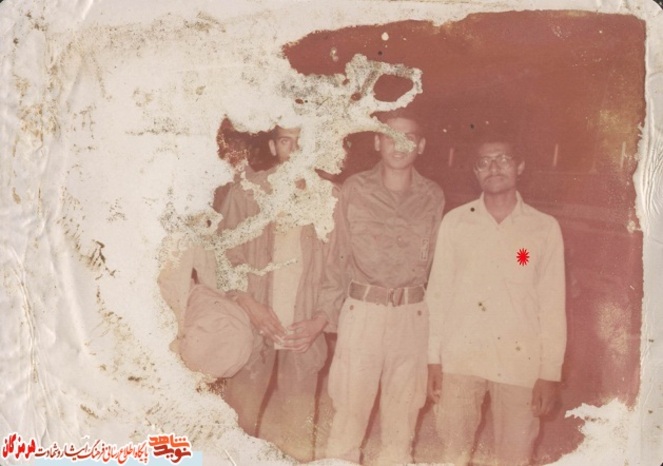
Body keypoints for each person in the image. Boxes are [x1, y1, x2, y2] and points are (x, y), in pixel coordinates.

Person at [426, 139, 567, 466]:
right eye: (484, 162)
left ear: (519, 166)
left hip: (519, 364)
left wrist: (550, 372)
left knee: (515, 456)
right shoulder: (456, 222)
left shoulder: (544, 228)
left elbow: (552, 304)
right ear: (475, 172)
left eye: (503, 159)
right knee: (452, 454)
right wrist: (433, 359)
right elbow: (438, 294)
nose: (493, 167)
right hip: (460, 360)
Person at [319, 112, 445, 464]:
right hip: (363, 313)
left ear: (421, 145)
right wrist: (327, 316)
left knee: (403, 420)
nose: (399, 144)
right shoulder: (354, 189)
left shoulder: (433, 195)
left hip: (411, 315)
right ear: (377, 142)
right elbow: (337, 257)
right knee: (349, 414)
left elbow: (437, 263)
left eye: (409, 137)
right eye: (390, 135)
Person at [216, 125, 332, 462]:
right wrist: (248, 303)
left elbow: (338, 270)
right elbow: (222, 256)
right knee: (239, 423)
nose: (294, 149)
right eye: (285, 141)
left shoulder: (327, 197)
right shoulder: (247, 192)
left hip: (302, 332)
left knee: (298, 431)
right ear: (272, 146)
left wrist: (319, 320)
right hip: (253, 328)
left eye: (302, 142)